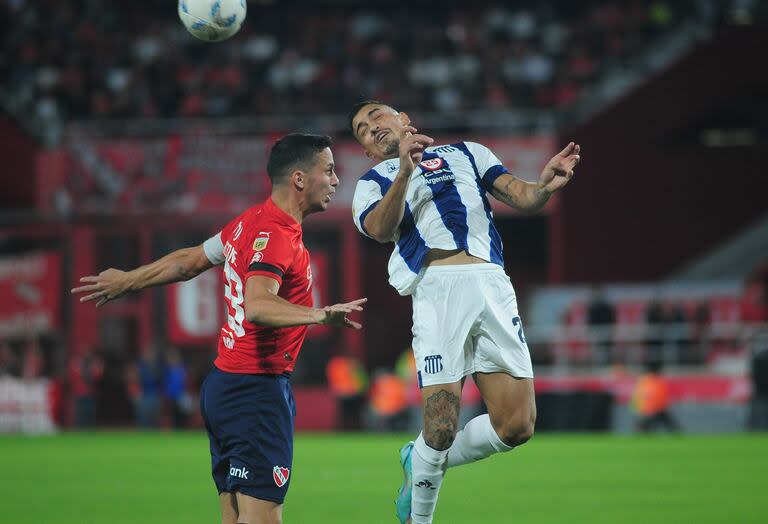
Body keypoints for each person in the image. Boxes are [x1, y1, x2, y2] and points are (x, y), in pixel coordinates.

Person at [72, 133, 366, 524]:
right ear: (299, 178)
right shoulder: (276, 235)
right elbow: (257, 305)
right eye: (328, 171)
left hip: (225, 386)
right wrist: (320, 315)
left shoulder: (248, 223)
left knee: (234, 516)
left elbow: (189, 261)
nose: (335, 180)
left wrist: (128, 280)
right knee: (262, 517)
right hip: (255, 391)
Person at [348, 100, 581, 524]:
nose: (372, 127)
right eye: (362, 129)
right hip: (438, 291)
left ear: (404, 118)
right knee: (440, 428)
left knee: (517, 426)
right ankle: (420, 515)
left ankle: (417, 458)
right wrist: (404, 169)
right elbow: (380, 230)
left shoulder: (469, 153)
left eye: (377, 116)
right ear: (365, 150)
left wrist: (545, 186)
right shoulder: (371, 182)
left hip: (493, 285)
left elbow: (522, 196)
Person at [632, 360, 679, 432]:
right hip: (655, 410)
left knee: (647, 425)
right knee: (667, 423)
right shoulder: (657, 381)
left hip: (648, 410)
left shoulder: (644, 380)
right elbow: (660, 397)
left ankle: (640, 429)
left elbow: (638, 396)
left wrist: (638, 408)